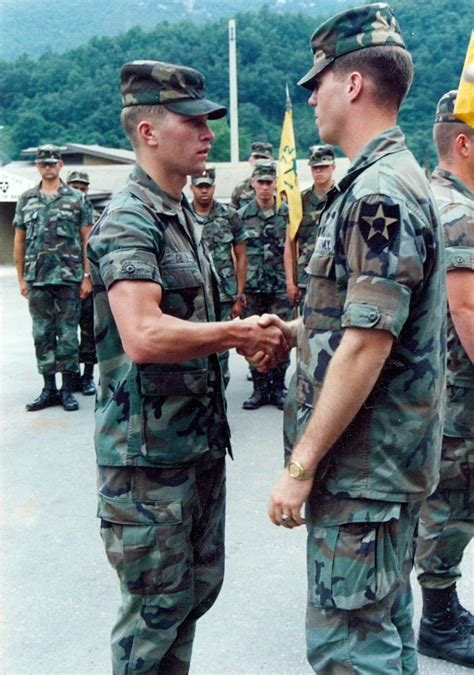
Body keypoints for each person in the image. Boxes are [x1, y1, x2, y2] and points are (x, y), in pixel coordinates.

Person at [257, 4, 446, 673]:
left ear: (355, 85)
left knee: (352, 652)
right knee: (386, 638)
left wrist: (301, 466)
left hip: (363, 474)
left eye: (319, 81)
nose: (311, 95)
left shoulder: (377, 194)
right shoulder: (389, 180)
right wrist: (299, 329)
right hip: (381, 470)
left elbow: (368, 345)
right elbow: (361, 319)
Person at [87, 60, 288, 674]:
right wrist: (237, 334)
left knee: (190, 598)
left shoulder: (182, 217)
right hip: (149, 466)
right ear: (149, 132)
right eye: (192, 121)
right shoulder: (131, 219)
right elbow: (143, 335)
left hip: (193, 447)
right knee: (152, 619)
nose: (207, 133)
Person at [415, 89, 474, 668]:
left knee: (445, 501)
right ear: (463, 143)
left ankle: (442, 605)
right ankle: (436, 617)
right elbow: (468, 312)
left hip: (442, 386)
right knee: (450, 504)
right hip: (457, 391)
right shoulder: (457, 212)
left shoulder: (442, 199)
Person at [13, 144, 91, 412]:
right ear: (37, 166)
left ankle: (68, 390)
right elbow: (20, 239)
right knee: (42, 334)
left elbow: (86, 240)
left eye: (52, 163)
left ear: (60, 166)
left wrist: (87, 276)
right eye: (43, 163)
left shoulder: (77, 199)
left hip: (69, 278)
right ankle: (49, 389)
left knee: (68, 335)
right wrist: (21, 278)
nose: (48, 167)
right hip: (38, 279)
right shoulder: (26, 199)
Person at [240, 161, 292, 411]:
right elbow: (236, 253)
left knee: (281, 337)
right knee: (254, 339)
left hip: (280, 285)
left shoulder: (287, 214)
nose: (264, 187)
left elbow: (294, 249)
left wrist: (293, 282)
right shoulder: (241, 216)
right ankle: (259, 388)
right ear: (253, 184)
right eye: (260, 182)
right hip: (252, 287)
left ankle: (279, 387)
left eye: (269, 182)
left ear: (275, 185)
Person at [190, 165, 248, 387]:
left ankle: (219, 402)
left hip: (223, 296)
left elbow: (241, 255)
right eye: (199, 187)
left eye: (208, 186)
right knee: (195, 351)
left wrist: (239, 294)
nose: (204, 191)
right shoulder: (182, 215)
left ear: (214, 188)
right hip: (193, 296)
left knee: (221, 352)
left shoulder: (229, 216)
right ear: (192, 188)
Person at [284, 144, 337, 310]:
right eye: (315, 168)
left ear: (333, 167)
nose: (319, 171)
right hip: (306, 278)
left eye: (323, 167)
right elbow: (290, 244)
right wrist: (290, 282)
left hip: (335, 275)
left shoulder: (343, 197)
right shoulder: (299, 202)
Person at [66, 170, 98, 396]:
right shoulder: (61, 214)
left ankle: (87, 377)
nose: (79, 190)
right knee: (66, 334)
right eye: (74, 186)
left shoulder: (97, 216)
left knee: (89, 333)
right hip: (66, 281)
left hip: (90, 282)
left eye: (82, 187)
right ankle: (71, 378)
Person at [230, 141, 274, 210]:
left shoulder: (281, 188)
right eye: (257, 157)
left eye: (264, 158)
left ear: (271, 161)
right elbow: (232, 213)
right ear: (250, 160)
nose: (260, 161)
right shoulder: (241, 188)